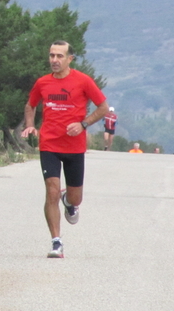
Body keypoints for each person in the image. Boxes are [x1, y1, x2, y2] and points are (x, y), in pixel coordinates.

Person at [21, 40, 109, 259]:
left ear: (70, 59)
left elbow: (103, 108)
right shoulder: (42, 83)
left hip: (75, 146)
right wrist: (30, 125)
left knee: (76, 197)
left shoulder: (83, 81)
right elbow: (30, 105)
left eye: (59, 56)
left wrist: (83, 124)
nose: (54, 60)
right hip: (49, 144)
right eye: (52, 56)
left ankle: (69, 202)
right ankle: (56, 241)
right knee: (51, 190)